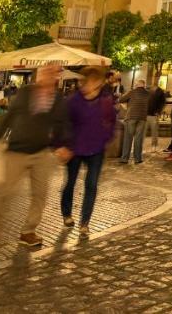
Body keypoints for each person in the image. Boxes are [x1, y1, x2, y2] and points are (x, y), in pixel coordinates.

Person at [0, 65, 70, 247]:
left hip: (41, 151)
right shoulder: (25, 92)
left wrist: (63, 145)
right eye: (44, 73)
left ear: (55, 77)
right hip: (17, 149)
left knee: (40, 194)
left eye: (51, 74)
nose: (47, 76)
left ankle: (28, 231)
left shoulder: (57, 98)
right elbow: (9, 115)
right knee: (7, 191)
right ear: (38, 76)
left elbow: (60, 123)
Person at [60, 66, 115, 234]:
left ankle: (85, 222)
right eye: (86, 81)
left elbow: (112, 122)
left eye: (93, 81)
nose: (88, 85)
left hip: (96, 150)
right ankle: (67, 214)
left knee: (91, 185)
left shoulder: (105, 101)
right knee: (70, 182)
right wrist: (64, 145)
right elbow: (64, 124)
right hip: (75, 149)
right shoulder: (73, 101)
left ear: (98, 82)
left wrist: (105, 139)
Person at [118, 79, 151, 164]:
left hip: (131, 116)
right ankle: (138, 158)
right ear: (144, 85)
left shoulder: (132, 92)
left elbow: (121, 100)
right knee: (138, 139)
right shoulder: (148, 93)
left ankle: (125, 158)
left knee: (128, 138)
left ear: (137, 85)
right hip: (142, 118)